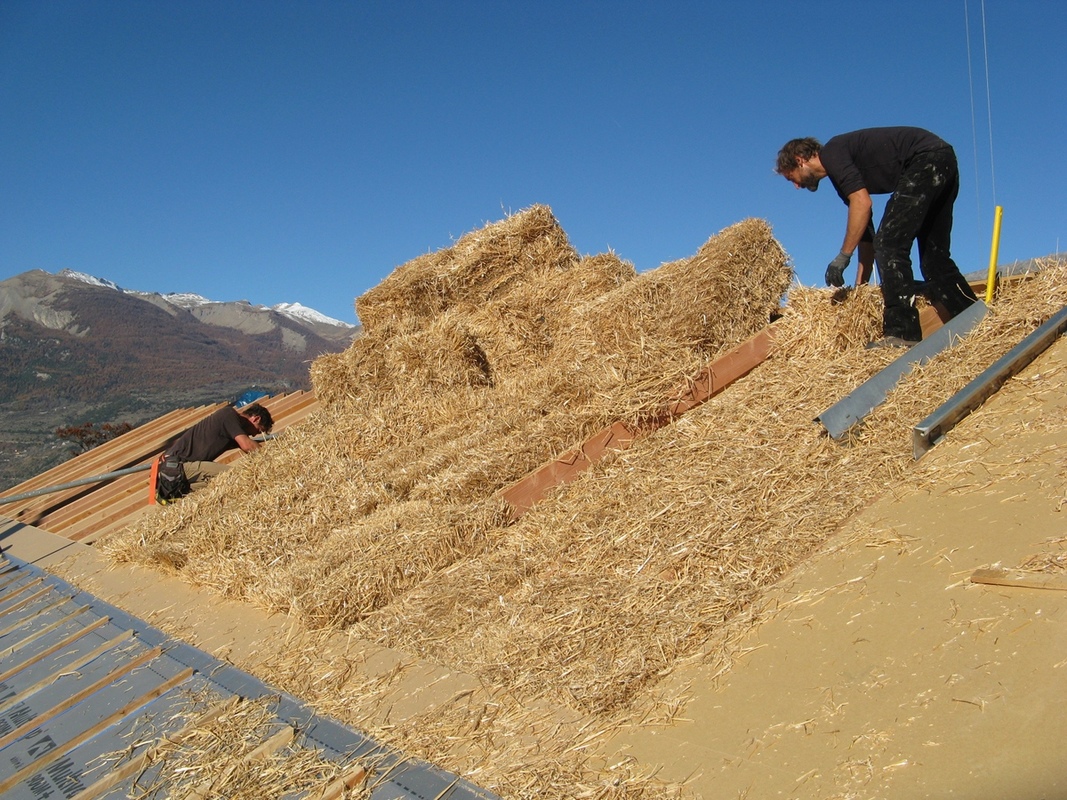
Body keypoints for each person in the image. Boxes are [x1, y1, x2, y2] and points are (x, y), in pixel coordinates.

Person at [775, 127, 978, 346]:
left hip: (925, 160)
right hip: (943, 159)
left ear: (800, 160)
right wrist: (860, 287)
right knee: (933, 259)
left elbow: (862, 203)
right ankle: (974, 316)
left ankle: (902, 333)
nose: (796, 186)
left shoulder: (833, 153)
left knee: (890, 244)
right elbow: (866, 233)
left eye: (792, 178)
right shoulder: (841, 171)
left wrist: (843, 256)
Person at [159, 402, 273, 494]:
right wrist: (274, 458)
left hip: (176, 473)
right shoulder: (229, 415)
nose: (254, 435)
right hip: (176, 467)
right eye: (259, 430)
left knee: (213, 489)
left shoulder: (232, 429)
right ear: (256, 419)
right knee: (232, 476)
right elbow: (247, 446)